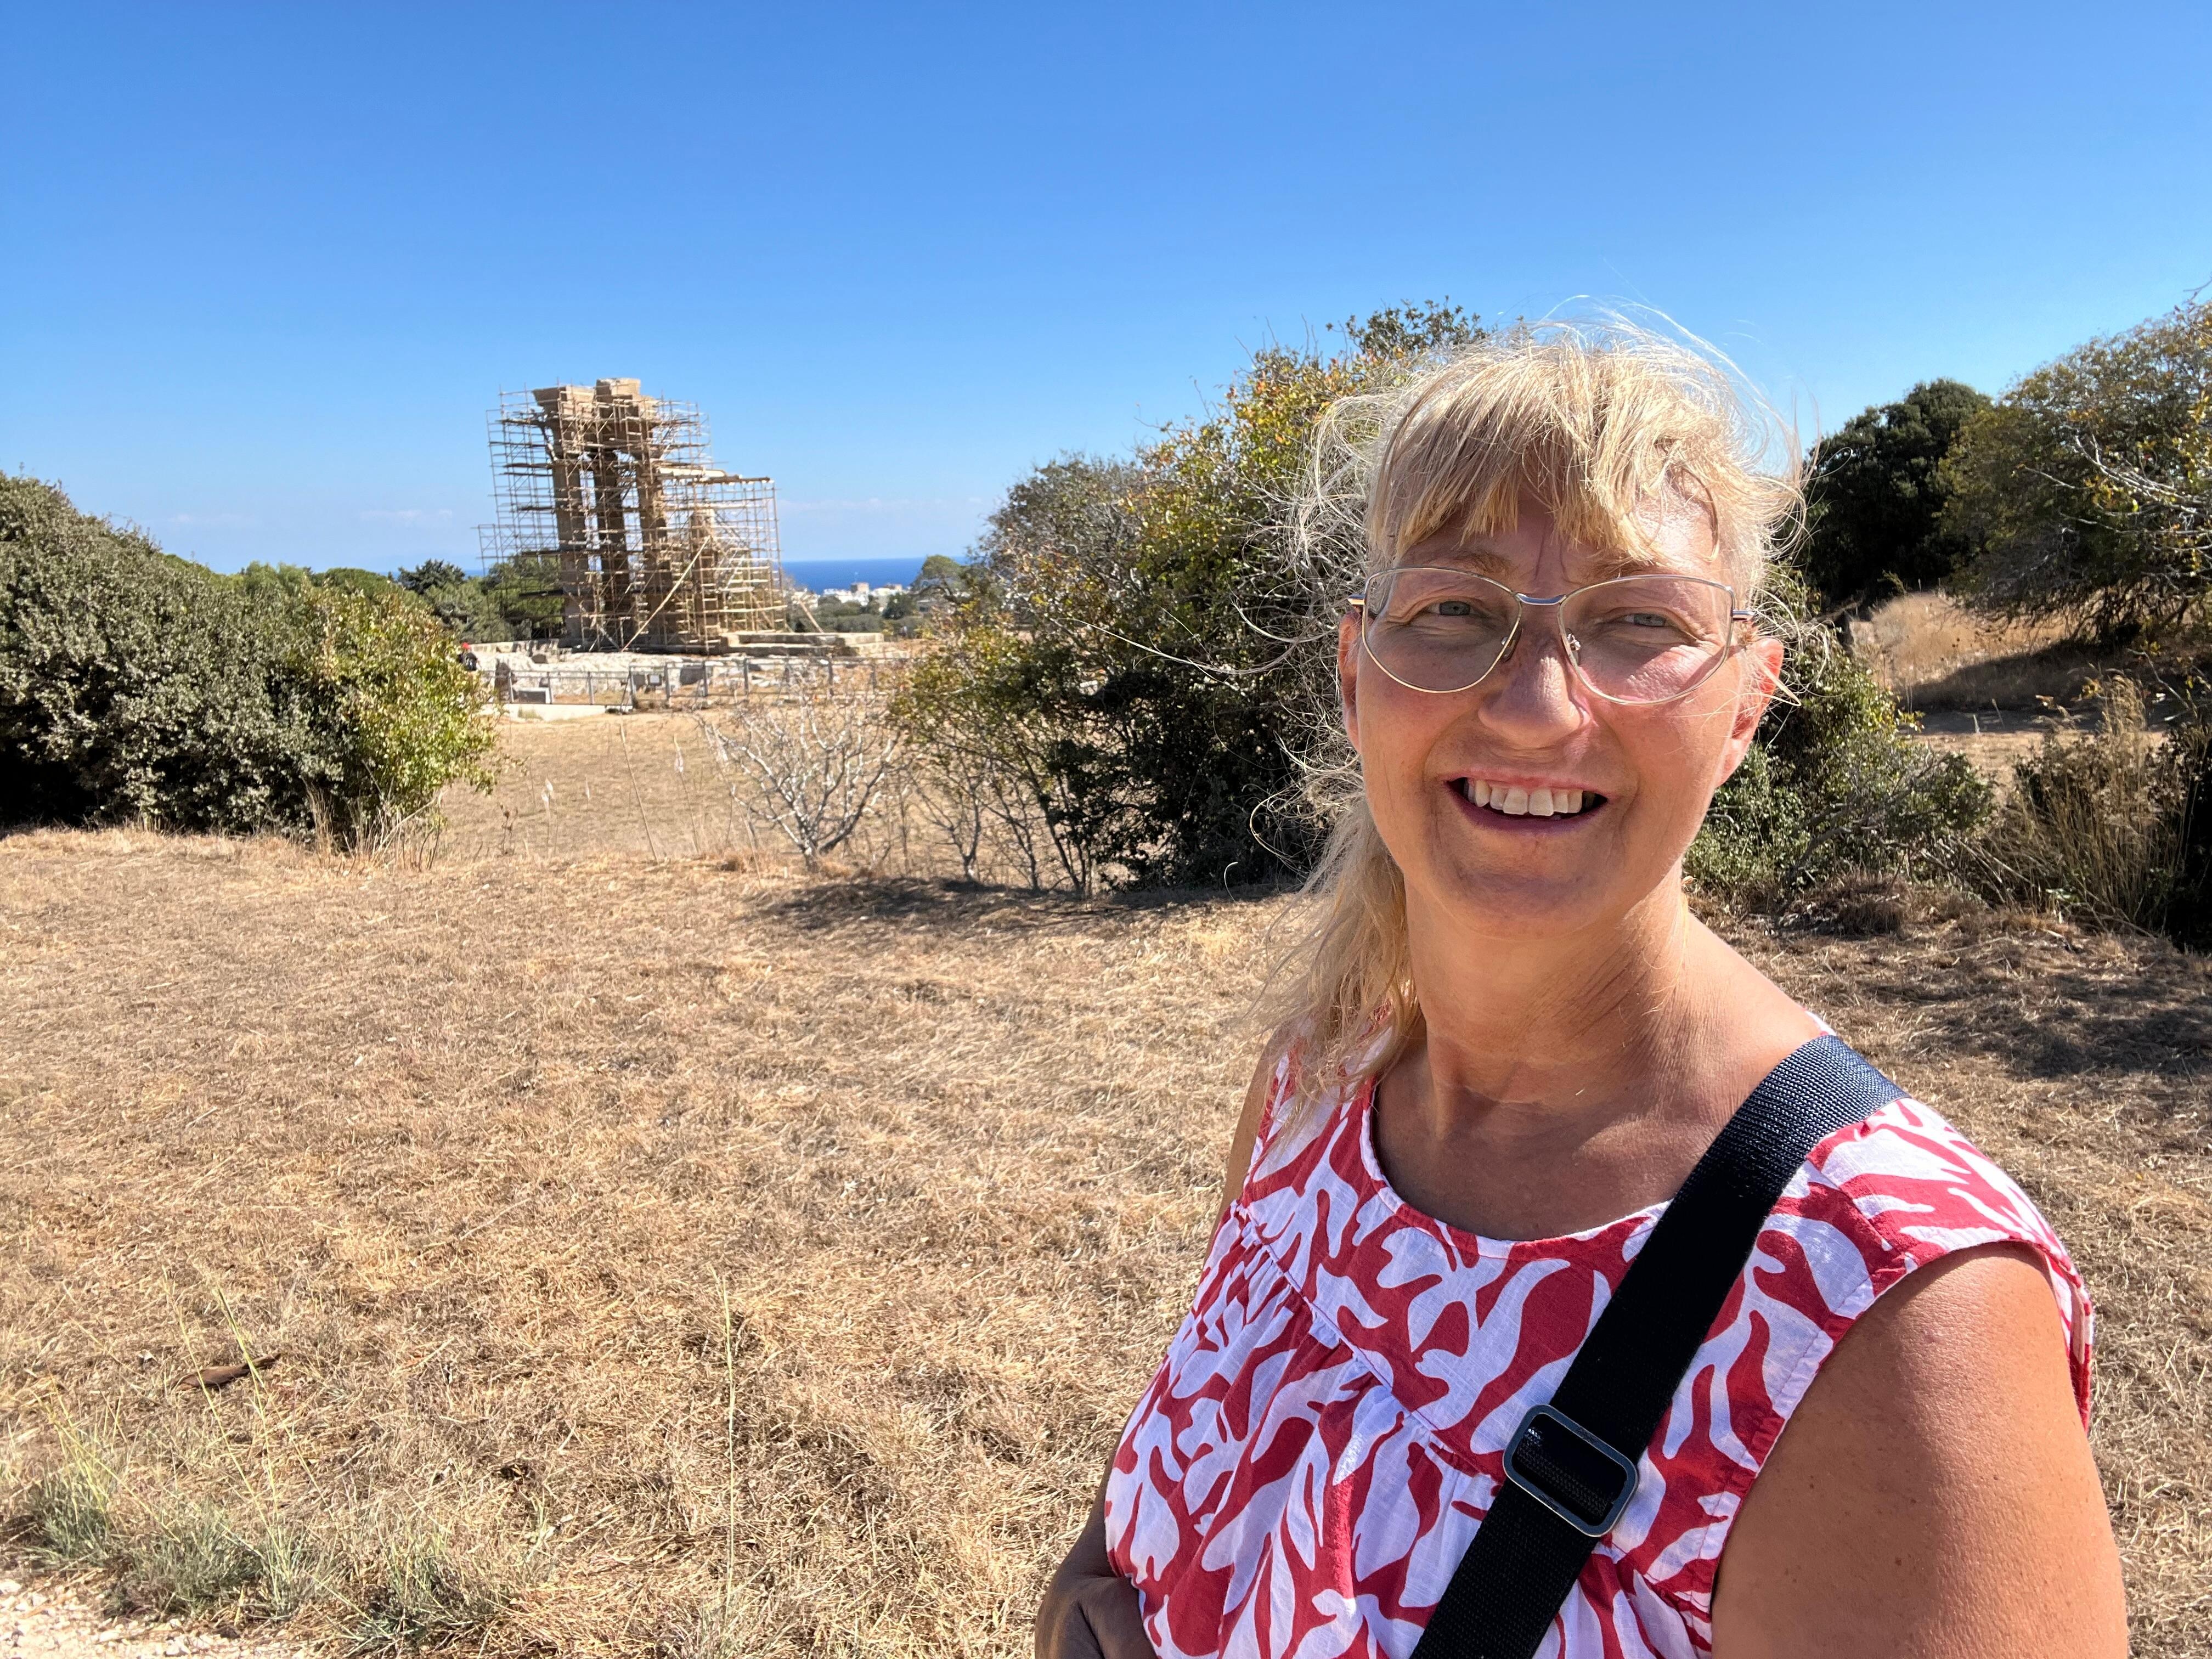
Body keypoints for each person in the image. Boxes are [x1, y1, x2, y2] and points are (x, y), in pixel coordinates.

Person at [1034, 324, 2127, 1659]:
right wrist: (1088, 1580)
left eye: (1639, 622)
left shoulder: (1888, 1307)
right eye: (1451, 611)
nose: (1542, 707)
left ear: (1744, 706)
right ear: (1352, 675)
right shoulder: (1317, 1082)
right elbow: (1203, 1448)